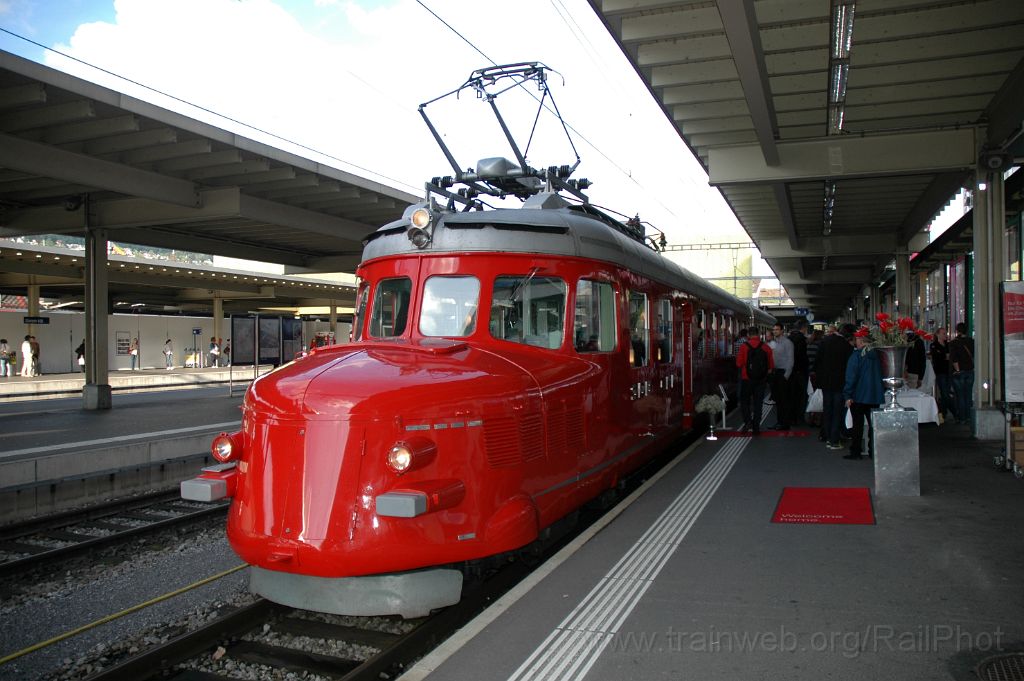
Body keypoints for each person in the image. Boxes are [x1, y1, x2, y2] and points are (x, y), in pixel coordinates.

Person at [843, 332, 884, 460]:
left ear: (860, 341)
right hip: (875, 394)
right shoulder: (878, 355)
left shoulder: (856, 356)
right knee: (874, 426)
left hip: (859, 395)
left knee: (857, 425)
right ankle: (873, 451)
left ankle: (856, 451)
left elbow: (851, 376)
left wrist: (847, 395)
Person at [817, 323, 855, 450]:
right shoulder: (846, 346)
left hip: (826, 383)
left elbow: (818, 362)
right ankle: (834, 439)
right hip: (840, 383)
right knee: (837, 411)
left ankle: (827, 436)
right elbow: (850, 367)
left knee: (827, 409)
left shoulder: (824, 342)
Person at [735, 326, 774, 435]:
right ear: (758, 334)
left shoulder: (743, 347)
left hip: (746, 379)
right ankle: (756, 426)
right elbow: (771, 366)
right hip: (761, 380)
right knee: (758, 403)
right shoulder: (766, 347)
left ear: (748, 335)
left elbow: (738, 363)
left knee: (745, 402)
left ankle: (747, 422)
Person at [767, 323, 793, 430]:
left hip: (783, 373)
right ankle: (779, 422)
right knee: (778, 399)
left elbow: (791, 360)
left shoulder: (788, 343)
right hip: (776, 373)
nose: (775, 331)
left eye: (777, 330)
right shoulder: (774, 343)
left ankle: (784, 423)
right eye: (774, 330)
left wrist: (786, 376)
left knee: (784, 400)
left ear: (782, 331)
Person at [949, 322, 975, 425]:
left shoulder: (954, 343)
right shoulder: (972, 342)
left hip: (959, 372)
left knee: (960, 396)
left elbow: (954, 358)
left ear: (957, 331)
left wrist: (958, 370)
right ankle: (968, 416)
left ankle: (962, 418)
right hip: (970, 370)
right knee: (968, 394)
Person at [788, 320, 809, 425]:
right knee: (801, 396)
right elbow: (803, 357)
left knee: (791, 395)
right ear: (803, 328)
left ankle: (791, 418)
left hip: (790, 372)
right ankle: (800, 418)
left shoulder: (788, 339)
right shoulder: (802, 340)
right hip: (801, 372)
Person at [929, 327, 953, 421]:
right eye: (943, 333)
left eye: (945, 333)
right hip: (940, 371)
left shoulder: (948, 345)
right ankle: (955, 412)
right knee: (944, 393)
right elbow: (936, 357)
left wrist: (945, 357)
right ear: (938, 334)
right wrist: (944, 356)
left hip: (948, 371)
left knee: (945, 393)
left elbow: (950, 356)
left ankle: (943, 412)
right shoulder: (934, 345)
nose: (945, 335)